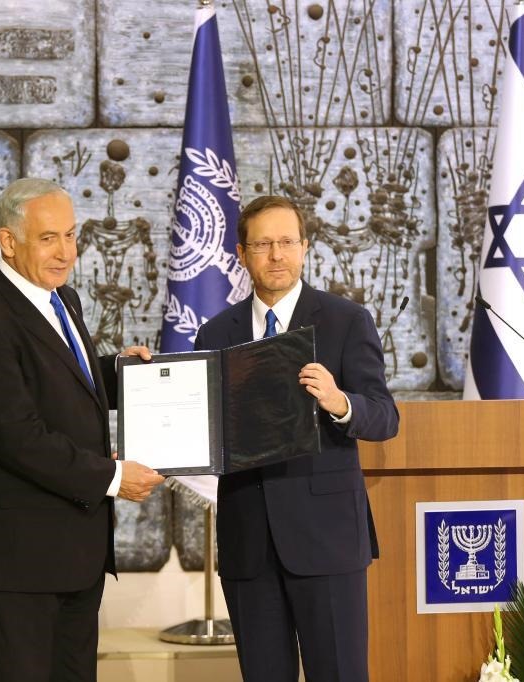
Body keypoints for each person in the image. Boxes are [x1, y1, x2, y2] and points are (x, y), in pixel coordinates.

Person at [0, 177, 165, 682]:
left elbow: (59, 382)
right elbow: (18, 437)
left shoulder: (63, 299)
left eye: (70, 235)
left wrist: (118, 371)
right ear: (8, 241)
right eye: (49, 239)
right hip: (21, 561)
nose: (66, 252)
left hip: (75, 551)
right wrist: (113, 478)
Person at [194, 195, 399, 682]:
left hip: (327, 539)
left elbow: (384, 417)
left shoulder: (346, 320)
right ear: (241, 254)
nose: (276, 255)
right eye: (262, 244)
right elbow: (199, 427)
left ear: (305, 247)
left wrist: (339, 401)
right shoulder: (214, 334)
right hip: (248, 544)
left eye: (287, 242)